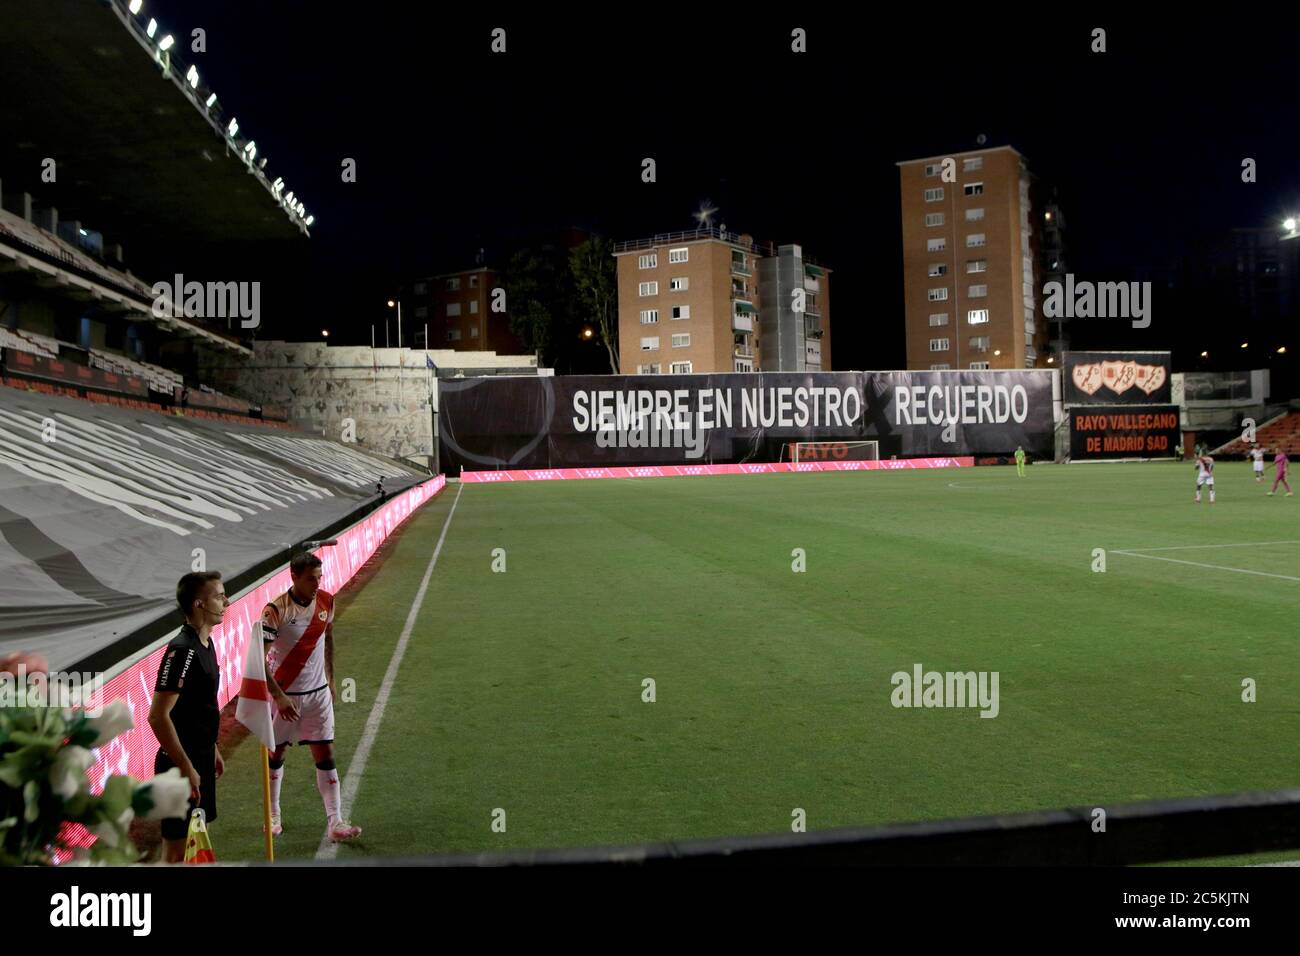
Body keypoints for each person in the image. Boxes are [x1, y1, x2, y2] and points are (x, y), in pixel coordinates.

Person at [259, 552, 361, 841]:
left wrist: (330, 678)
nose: (316, 584)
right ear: (293, 577)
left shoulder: (327, 601)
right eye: (310, 579)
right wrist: (278, 697)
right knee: (277, 754)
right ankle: (273, 813)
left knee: (325, 755)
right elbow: (258, 660)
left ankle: (335, 822)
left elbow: (327, 638)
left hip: (318, 696)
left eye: (320, 577)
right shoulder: (275, 611)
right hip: (286, 696)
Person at [148, 571, 227, 863]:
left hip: (200, 758)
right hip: (179, 765)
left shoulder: (207, 643)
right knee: (177, 851)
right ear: (199, 604)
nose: (226, 602)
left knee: (197, 843)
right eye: (219, 596)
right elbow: (157, 717)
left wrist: (212, 747)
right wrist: (185, 766)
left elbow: (199, 704)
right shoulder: (182, 651)